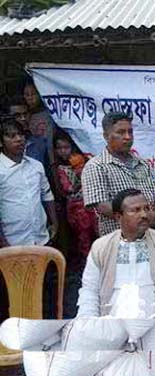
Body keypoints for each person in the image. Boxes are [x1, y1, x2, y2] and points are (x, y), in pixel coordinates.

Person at [76, 188, 155, 317]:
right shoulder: (101, 247)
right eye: (136, 210)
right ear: (119, 217)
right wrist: (89, 323)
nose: (144, 215)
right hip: (112, 324)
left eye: (146, 208)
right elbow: (90, 291)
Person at [82, 111, 155, 236]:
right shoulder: (96, 166)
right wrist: (139, 218)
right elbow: (102, 206)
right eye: (121, 132)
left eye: (130, 132)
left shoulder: (142, 163)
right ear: (106, 136)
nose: (127, 137)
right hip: (118, 239)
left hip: (150, 235)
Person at [0, 120, 57, 248]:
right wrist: (3, 242)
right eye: (11, 136)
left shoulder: (36, 166)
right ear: (1, 141)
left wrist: (54, 223)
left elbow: (47, 195)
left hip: (40, 238)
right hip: (12, 242)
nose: (19, 139)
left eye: (21, 135)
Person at [51, 131, 98, 271]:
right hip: (76, 209)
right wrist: (80, 176)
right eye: (60, 148)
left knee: (97, 232)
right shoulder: (60, 168)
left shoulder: (83, 161)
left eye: (66, 147)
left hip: (91, 204)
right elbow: (68, 189)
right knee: (83, 237)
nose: (63, 151)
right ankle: (88, 265)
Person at [7, 98, 48, 168]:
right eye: (17, 115)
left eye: (25, 114)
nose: (23, 118)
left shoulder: (40, 142)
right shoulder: (4, 145)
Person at [23, 81, 54, 165]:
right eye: (27, 95)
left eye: (33, 94)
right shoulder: (25, 115)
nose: (30, 98)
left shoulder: (49, 115)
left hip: (46, 159)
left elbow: (49, 141)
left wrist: (52, 162)